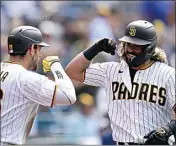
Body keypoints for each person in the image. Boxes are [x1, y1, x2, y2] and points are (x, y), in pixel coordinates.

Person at [65, 20, 175, 145]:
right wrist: (96, 48)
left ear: (149, 48)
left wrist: (167, 130)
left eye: (136, 46)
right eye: (128, 44)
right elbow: (72, 71)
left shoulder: (167, 74)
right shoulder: (111, 70)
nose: (130, 50)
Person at [0, 26, 76, 145]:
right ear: (31, 49)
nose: (40, 55)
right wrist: (55, 65)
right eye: (39, 49)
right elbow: (69, 96)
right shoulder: (26, 78)